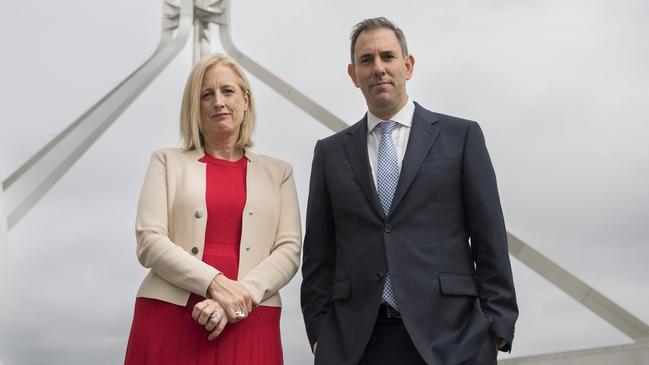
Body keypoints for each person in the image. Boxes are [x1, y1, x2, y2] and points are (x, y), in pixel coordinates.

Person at [300, 17, 518, 365]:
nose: (378, 68)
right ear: (353, 74)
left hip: (454, 341)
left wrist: (495, 330)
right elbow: (318, 258)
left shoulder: (460, 138)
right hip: (356, 345)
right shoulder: (330, 153)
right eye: (366, 60)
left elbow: (490, 238)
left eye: (387, 56)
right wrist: (320, 337)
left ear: (408, 65)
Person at [124, 53, 301, 365]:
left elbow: (289, 250)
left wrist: (237, 297)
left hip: (252, 316)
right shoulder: (165, 162)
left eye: (228, 91)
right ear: (196, 107)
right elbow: (149, 241)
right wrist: (216, 285)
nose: (218, 101)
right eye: (207, 94)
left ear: (245, 100)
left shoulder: (280, 172)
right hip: (172, 316)